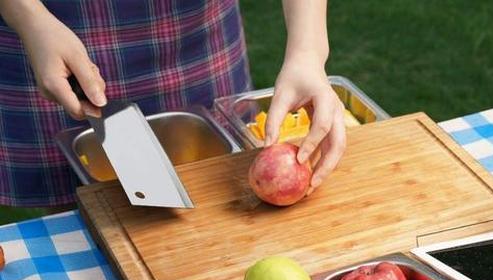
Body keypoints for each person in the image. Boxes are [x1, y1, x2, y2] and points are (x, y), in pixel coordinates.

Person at [0, 0, 346, 208]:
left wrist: (308, 50)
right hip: (48, 29)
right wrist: (29, 19)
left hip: (193, 32)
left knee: (217, 191)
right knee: (78, 226)